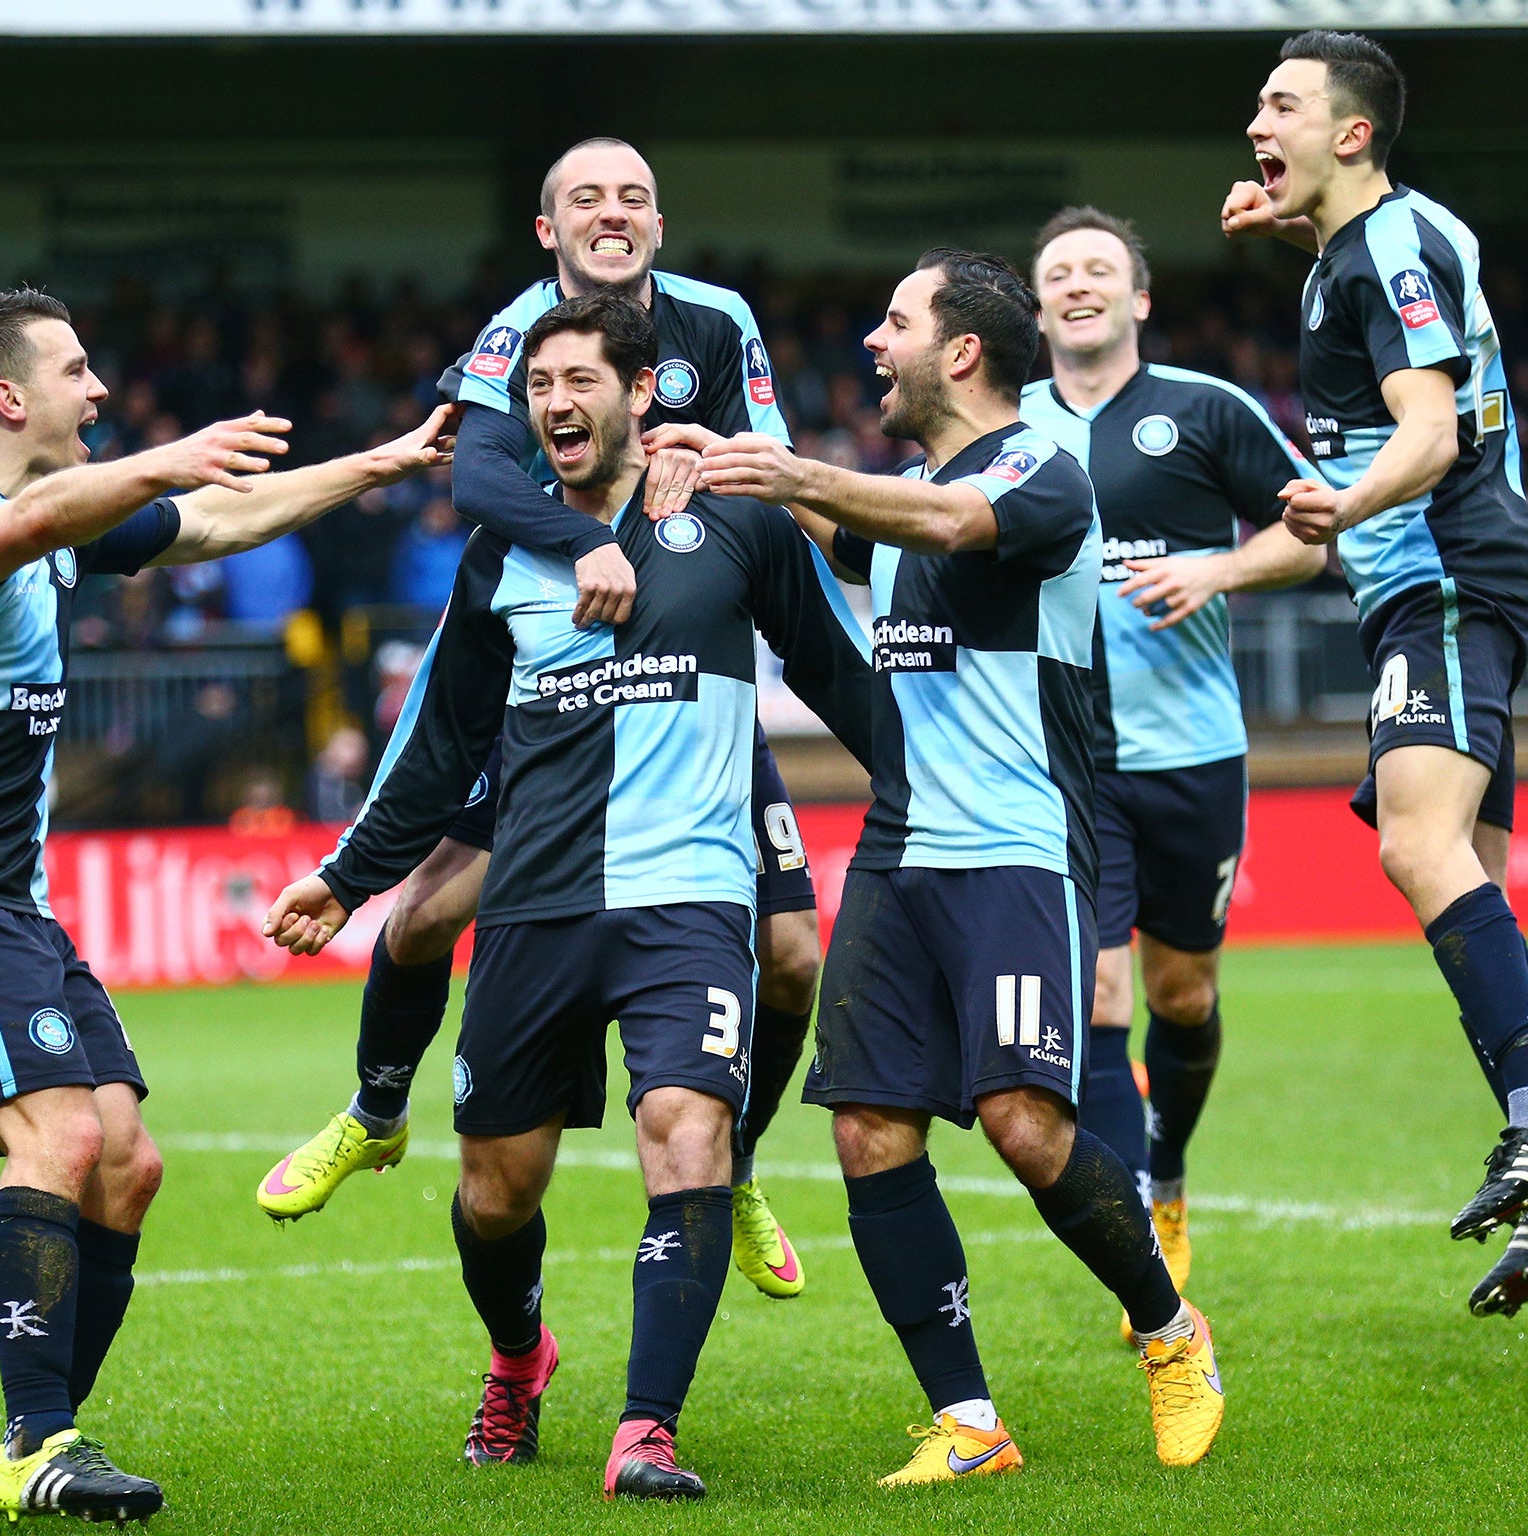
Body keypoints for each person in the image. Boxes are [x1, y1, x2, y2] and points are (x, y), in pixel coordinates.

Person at [0, 287, 455, 1522]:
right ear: (8, 399)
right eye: (75, 372)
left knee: (126, 1165)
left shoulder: (54, 521)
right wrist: (156, 459)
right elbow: (43, 518)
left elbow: (219, 522)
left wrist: (380, 462)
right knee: (58, 1141)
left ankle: (49, 1438)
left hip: (8, 904)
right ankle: (33, 1445)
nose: (99, 389)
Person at [259, 292, 873, 1500]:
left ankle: (647, 1430)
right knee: (494, 1193)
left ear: (642, 393)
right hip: (535, 903)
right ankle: (518, 1356)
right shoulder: (505, 552)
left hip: (686, 898)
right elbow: (438, 748)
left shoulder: (737, 524)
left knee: (685, 1135)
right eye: (537, 388)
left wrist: (936, 794)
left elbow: (842, 678)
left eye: (578, 382)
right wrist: (347, 879)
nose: (553, 405)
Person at [660, 249, 1226, 1479]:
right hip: (897, 853)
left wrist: (797, 467)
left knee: (1026, 1126)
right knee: (867, 1129)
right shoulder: (907, 492)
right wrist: (718, 439)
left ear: (959, 350)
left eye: (894, 322)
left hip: (1018, 851)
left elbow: (957, 521)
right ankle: (968, 1425)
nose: (873, 341)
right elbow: (854, 526)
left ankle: (1170, 1330)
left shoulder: (1035, 469)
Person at [260, 137, 822, 1303]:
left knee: (792, 953)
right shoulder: (520, 330)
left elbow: (763, 466)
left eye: (632, 198)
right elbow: (477, 482)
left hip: (686, 702)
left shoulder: (716, 322)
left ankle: (740, 1156)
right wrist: (595, 540)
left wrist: (693, 464)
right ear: (548, 233)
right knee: (417, 922)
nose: (609, 214)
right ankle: (374, 1112)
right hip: (551, 688)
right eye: (584, 199)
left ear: (657, 226)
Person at [1222, 29, 1528, 1316]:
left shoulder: (1386, 245)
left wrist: (1339, 504)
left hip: (1444, 576)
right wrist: (1293, 234)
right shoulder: (1359, 250)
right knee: (1476, 883)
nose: (1253, 126)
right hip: (1448, 579)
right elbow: (1391, 310)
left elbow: (1430, 431)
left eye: (1278, 107)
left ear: (1351, 134)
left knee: (1412, 841)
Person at [1022, 206, 1324, 1331]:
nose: (1079, 284)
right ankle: (1134, 1226)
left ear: (1137, 298)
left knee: (1179, 992)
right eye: (1058, 273)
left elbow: (1312, 534)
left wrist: (1218, 572)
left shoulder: (1205, 411)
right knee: (1099, 990)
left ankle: (1170, 1163)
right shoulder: (1009, 427)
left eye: (1101, 268)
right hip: (1065, 760)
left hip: (1191, 753)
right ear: (1038, 304)